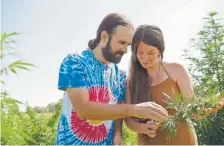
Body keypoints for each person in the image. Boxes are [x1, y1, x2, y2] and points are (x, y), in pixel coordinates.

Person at [55, 14, 168, 145]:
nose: (125, 50)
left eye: (128, 45)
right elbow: (83, 109)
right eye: (121, 43)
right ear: (104, 36)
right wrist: (133, 109)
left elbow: (118, 106)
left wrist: (118, 133)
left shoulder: (119, 75)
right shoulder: (75, 62)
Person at [124, 25, 198, 145]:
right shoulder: (131, 81)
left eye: (151, 53)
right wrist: (144, 128)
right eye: (140, 53)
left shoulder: (177, 70)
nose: (145, 58)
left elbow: (192, 107)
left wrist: (202, 109)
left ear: (160, 50)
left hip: (183, 140)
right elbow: (128, 119)